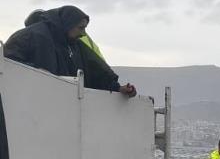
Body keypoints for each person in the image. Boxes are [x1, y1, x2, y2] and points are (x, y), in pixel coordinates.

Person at [4, 6, 137, 95]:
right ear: (68, 23)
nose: (84, 33)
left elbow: (95, 70)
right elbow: (6, 61)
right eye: (81, 28)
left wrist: (118, 88)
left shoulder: (75, 45)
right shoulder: (32, 35)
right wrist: (35, 71)